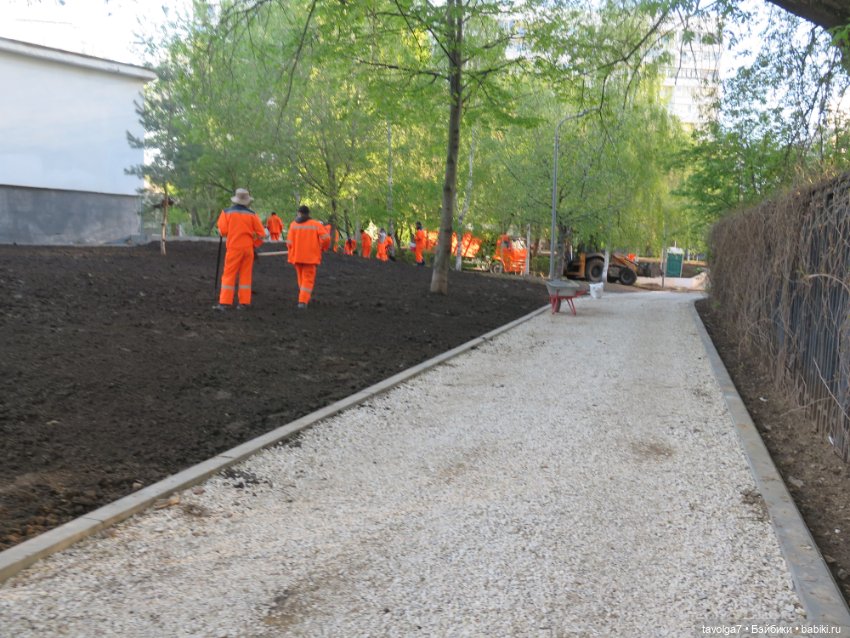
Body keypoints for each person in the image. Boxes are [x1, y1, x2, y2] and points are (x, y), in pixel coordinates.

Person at [215, 188, 265, 311]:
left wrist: (221, 231)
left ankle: (225, 302)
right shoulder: (252, 215)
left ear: (235, 200)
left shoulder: (226, 213)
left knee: (229, 274)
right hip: (248, 249)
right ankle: (244, 303)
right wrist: (254, 245)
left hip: (234, 248)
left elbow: (223, 231)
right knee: (245, 276)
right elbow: (261, 234)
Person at [287, 205, 330, 308]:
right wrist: (322, 247)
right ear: (308, 213)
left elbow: (289, 243)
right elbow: (326, 238)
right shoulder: (316, 224)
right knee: (307, 279)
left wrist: (292, 251)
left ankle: (303, 297)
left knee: (301, 279)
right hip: (310, 258)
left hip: (297, 257)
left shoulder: (293, 225)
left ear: (299, 213)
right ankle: (302, 301)